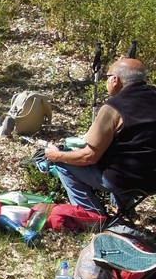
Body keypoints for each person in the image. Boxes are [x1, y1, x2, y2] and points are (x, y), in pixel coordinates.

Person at [45, 57, 156, 216]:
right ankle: (127, 212)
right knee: (128, 156)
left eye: (108, 77)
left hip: (124, 180)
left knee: (63, 164)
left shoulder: (113, 107)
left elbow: (89, 157)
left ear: (115, 80)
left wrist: (57, 155)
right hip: (152, 182)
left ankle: (92, 216)